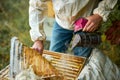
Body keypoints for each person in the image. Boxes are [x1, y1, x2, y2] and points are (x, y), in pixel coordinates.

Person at [29, 0, 118, 58]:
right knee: (54, 57)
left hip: (87, 23)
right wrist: (38, 40)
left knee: (82, 60)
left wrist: (99, 15)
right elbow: (36, 6)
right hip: (61, 22)